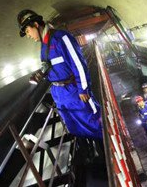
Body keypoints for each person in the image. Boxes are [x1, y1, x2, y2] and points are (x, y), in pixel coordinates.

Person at [17, 9, 102, 140]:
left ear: (36, 24)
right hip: (59, 94)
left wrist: (83, 89)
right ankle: (89, 146)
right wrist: (42, 74)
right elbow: (52, 65)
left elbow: (78, 63)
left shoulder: (61, 37)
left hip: (74, 91)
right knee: (74, 128)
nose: (28, 35)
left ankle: (107, 146)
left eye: (28, 31)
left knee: (93, 123)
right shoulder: (43, 46)